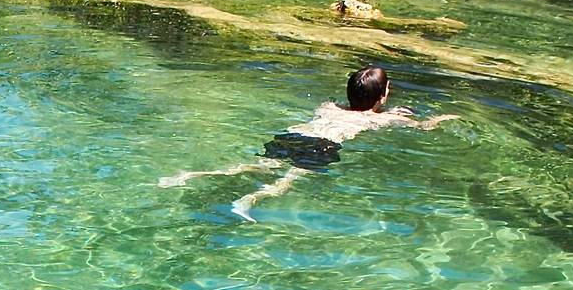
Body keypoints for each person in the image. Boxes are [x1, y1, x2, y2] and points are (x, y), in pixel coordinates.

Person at [161, 64, 449, 217]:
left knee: (253, 165)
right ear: (383, 96)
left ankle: (189, 175)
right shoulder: (377, 118)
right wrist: (443, 118)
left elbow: (338, 107)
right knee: (287, 180)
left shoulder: (330, 106)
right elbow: (422, 126)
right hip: (323, 146)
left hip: (296, 134)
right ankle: (247, 201)